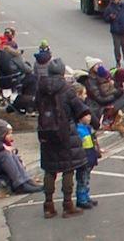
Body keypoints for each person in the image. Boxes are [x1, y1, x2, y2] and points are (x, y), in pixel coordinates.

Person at [36, 59, 89, 218]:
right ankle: (67, 204)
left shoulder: (40, 88)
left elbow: (35, 106)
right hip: (65, 132)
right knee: (68, 169)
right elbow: (80, 109)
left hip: (46, 132)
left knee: (49, 169)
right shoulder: (67, 89)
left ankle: (48, 205)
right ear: (62, 72)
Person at [73, 87, 100, 209]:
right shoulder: (79, 130)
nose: (89, 118)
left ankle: (86, 196)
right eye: (86, 116)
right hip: (83, 158)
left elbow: (92, 141)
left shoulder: (87, 128)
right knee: (82, 179)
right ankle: (81, 198)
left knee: (86, 179)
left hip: (89, 156)